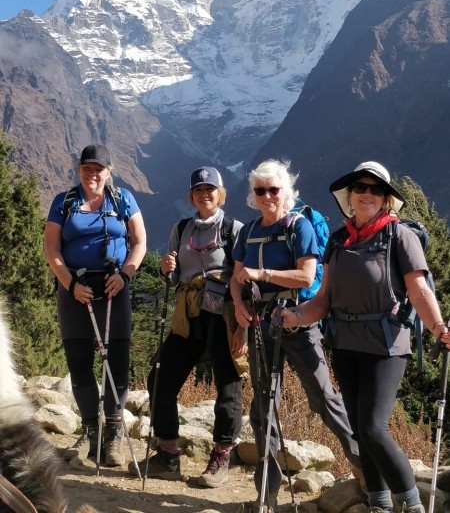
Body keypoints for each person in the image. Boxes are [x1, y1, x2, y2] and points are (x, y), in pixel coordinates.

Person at [282, 161, 450, 513]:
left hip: (386, 345)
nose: (367, 194)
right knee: (360, 428)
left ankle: (412, 504)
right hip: (345, 344)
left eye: (376, 189)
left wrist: (439, 327)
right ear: (350, 195)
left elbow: (419, 290)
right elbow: (324, 299)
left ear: (386, 198)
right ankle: (379, 503)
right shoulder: (338, 240)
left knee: (374, 427)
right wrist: (295, 317)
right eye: (360, 187)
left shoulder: (399, 236)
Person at [230, 159, 360, 513]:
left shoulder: (298, 226)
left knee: (323, 397)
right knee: (263, 407)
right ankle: (266, 495)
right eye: (260, 190)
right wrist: (239, 309)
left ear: (285, 191)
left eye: (273, 189)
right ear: (253, 194)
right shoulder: (248, 231)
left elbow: (307, 276)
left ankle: (366, 470)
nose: (267, 196)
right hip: (261, 324)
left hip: (298, 321)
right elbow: (237, 277)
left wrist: (262, 274)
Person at [129, 166, 247, 488]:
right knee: (160, 378)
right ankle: (168, 456)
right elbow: (172, 276)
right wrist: (166, 268)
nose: (204, 194)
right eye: (198, 190)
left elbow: (244, 280)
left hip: (224, 317)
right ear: (191, 195)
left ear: (220, 194)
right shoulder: (181, 229)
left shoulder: (234, 230)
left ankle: (220, 456)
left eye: (210, 189)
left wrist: (242, 329)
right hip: (189, 316)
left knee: (228, 386)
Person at [44, 144, 147, 466]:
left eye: (98, 168)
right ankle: (92, 432)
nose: (92, 174)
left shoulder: (123, 199)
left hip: (114, 285)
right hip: (74, 287)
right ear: (79, 169)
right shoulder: (64, 202)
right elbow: (51, 247)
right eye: (87, 168)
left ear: (109, 171)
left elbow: (139, 242)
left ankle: (113, 433)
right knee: (79, 360)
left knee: (117, 359)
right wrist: (70, 284)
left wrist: (126, 275)